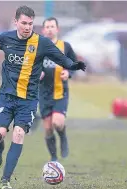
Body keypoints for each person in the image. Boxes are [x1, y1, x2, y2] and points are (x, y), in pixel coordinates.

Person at [0, 6, 86, 189]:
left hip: (28, 100)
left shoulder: (42, 43)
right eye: (24, 23)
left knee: (18, 134)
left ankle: (5, 181)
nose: (27, 27)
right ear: (16, 21)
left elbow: (60, 59)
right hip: (6, 97)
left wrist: (74, 66)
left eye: (30, 24)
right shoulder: (5, 38)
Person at [39, 17, 77, 162]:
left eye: (52, 26)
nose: (49, 29)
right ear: (43, 30)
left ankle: (63, 137)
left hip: (60, 92)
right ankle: (54, 157)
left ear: (57, 29)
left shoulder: (65, 46)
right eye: (47, 27)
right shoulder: (38, 47)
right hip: (43, 94)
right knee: (48, 128)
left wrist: (69, 73)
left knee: (58, 123)